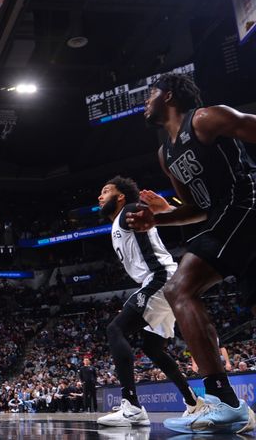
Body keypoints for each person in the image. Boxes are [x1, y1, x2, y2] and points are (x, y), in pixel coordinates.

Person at [126, 73, 256, 433]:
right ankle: (227, 407)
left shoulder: (205, 118)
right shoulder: (165, 152)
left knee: (180, 288)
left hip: (246, 205)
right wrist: (157, 218)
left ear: (168, 95)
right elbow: (196, 208)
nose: (145, 101)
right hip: (223, 215)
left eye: (150, 93)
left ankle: (224, 403)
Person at [96, 176, 201, 427]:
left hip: (160, 279)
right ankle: (193, 403)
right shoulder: (118, 222)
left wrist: (164, 209)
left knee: (115, 329)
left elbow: (148, 212)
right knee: (153, 348)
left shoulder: (129, 210)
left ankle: (131, 406)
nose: (100, 197)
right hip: (164, 283)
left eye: (105, 191)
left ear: (120, 196)